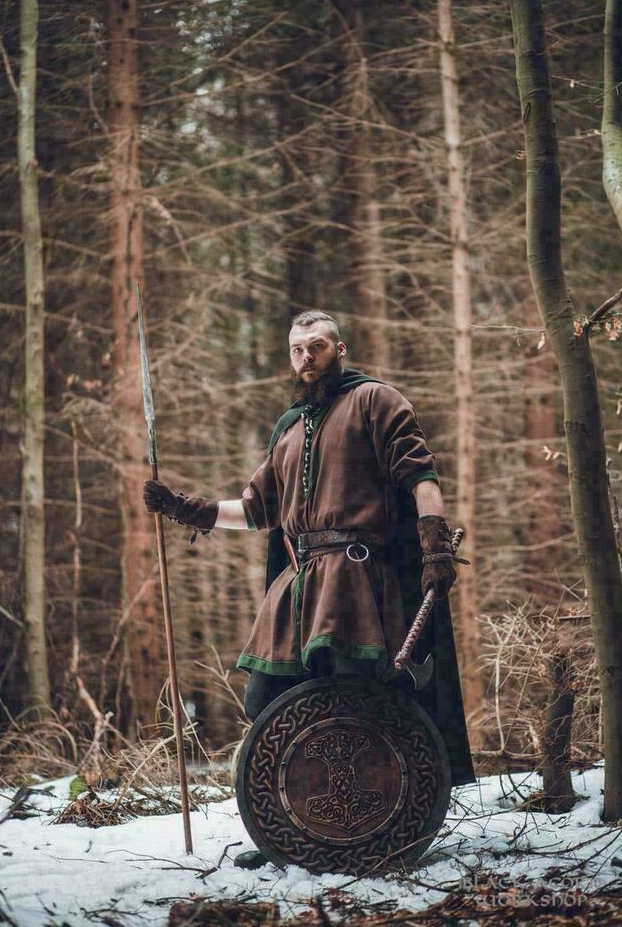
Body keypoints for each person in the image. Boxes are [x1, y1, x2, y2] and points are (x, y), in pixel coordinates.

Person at [144, 310, 475, 865]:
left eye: (316, 347)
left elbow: (421, 476)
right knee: (266, 702)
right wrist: (186, 508)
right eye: (297, 350)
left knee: (361, 700)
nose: (306, 358)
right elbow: (255, 510)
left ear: (339, 348)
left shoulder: (377, 401)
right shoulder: (289, 427)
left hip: (357, 581)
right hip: (298, 588)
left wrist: (434, 543)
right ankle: (291, 837)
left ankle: (379, 831)